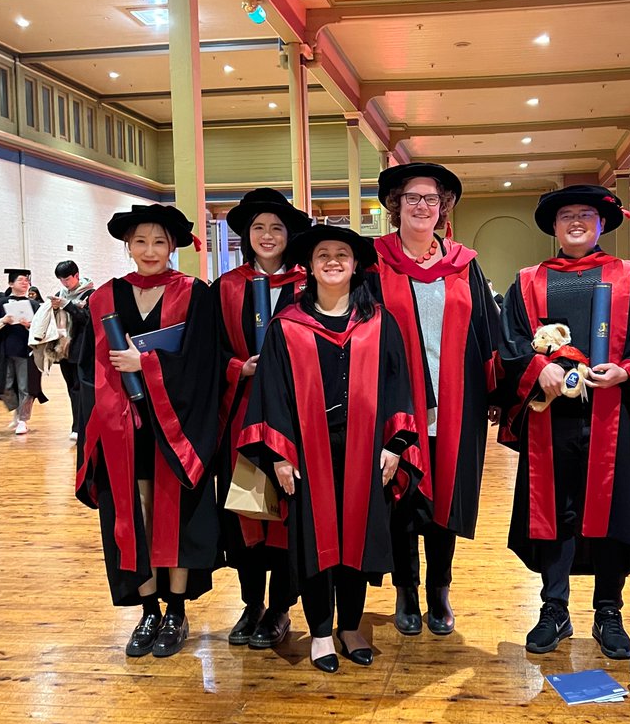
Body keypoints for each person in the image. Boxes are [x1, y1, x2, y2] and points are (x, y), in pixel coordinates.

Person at [499, 185, 630, 659]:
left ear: (602, 223)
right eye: (566, 216)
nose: (576, 222)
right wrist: (541, 369)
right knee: (553, 516)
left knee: (612, 515)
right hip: (549, 421)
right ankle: (554, 609)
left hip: (613, 417)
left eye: (586, 215)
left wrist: (629, 370)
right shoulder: (528, 281)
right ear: (554, 227)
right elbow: (511, 344)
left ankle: (608, 611)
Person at [240, 225, 420, 673]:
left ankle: (351, 626)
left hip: (367, 451)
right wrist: (280, 454)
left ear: (356, 264)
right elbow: (273, 392)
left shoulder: (379, 322)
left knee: (357, 540)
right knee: (313, 540)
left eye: (343, 254)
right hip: (307, 452)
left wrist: (396, 445)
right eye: (324, 255)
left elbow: (400, 386)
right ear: (310, 265)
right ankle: (320, 630)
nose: (334, 261)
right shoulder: (288, 326)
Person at [76, 204, 221, 658]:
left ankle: (176, 611)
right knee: (135, 513)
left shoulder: (195, 294)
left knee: (174, 516)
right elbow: (87, 369)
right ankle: (148, 611)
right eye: (141, 241)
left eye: (159, 241)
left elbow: (204, 363)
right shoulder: (104, 298)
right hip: (122, 428)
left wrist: (148, 365)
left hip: (178, 426)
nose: (150, 250)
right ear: (128, 246)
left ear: (173, 246)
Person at [373, 163, 500, 636]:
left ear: (442, 207)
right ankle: (406, 589)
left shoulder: (465, 264)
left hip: (455, 405)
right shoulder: (375, 263)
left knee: (446, 497)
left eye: (431, 198)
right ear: (396, 206)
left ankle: (439, 589)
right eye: (412, 198)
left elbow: (488, 331)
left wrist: (496, 391)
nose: (422, 205)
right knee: (401, 499)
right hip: (396, 405)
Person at [214, 188, 310, 649]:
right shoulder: (226, 287)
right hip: (243, 416)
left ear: (289, 234)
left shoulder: (308, 285)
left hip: (295, 419)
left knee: (288, 516)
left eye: (276, 227)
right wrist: (239, 368)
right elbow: (207, 355)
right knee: (248, 512)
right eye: (258, 228)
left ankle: (279, 610)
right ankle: (251, 604)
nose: (268, 235)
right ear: (246, 236)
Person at [0, 268, 47, 435]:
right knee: (5, 385)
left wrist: (30, 326)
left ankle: (23, 420)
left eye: (27, 280)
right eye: (21, 280)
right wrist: (4, 320)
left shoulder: (34, 305)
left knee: (26, 386)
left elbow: (43, 329)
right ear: (11, 283)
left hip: (25, 351)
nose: (25, 283)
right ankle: (17, 413)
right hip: (4, 350)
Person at [52, 260, 94, 442]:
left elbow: (88, 319)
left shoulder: (91, 294)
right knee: (71, 389)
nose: (64, 283)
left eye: (67, 279)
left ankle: (81, 427)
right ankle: (77, 425)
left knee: (81, 388)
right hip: (63, 349)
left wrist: (67, 305)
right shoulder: (59, 294)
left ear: (77, 275)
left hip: (82, 348)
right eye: (61, 280)